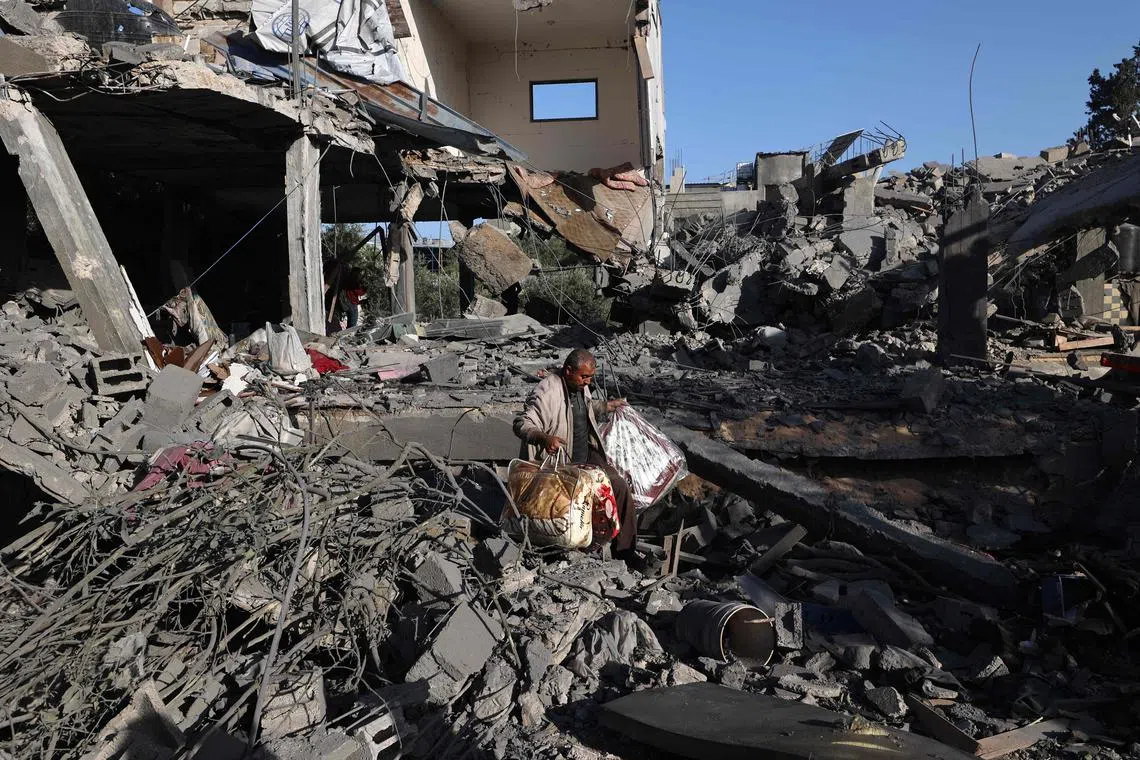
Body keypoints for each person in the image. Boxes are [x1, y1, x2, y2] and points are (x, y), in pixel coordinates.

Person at [513, 349, 641, 563]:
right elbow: (522, 423)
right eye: (584, 377)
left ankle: (626, 553)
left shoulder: (579, 385)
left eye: (590, 377)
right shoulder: (548, 391)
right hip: (562, 464)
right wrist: (543, 438)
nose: (587, 382)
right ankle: (582, 547)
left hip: (586, 456)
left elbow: (585, 408)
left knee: (619, 486)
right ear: (568, 370)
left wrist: (607, 406)